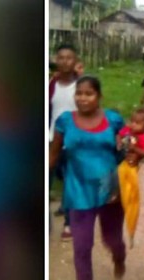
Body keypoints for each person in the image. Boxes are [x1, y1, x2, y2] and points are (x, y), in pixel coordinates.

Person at [49, 76, 127, 280]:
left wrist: (133, 156)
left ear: (99, 96)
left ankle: (119, 257)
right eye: (79, 93)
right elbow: (53, 154)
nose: (82, 98)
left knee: (112, 239)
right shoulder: (65, 121)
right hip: (77, 191)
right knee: (81, 246)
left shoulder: (113, 120)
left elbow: (125, 151)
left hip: (110, 192)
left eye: (88, 94)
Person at [49, 44, 79, 240]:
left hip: (74, 142)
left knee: (70, 183)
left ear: (75, 61)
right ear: (56, 60)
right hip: (51, 139)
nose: (64, 61)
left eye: (69, 57)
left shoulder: (82, 85)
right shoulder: (51, 84)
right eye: (61, 57)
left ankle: (69, 223)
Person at [116, 108, 144, 249]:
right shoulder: (126, 130)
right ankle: (117, 192)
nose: (133, 125)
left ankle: (131, 226)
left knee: (131, 190)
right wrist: (119, 142)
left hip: (131, 167)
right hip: (121, 161)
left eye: (138, 123)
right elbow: (119, 135)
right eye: (132, 121)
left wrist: (135, 149)